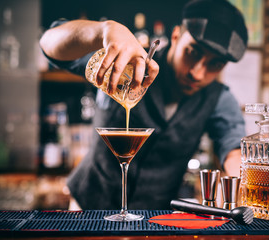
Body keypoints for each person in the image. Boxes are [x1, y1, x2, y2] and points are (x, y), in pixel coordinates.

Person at [40, 0, 248, 210]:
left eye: (215, 64)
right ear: (175, 37)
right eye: (193, 52)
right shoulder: (127, 62)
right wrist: (102, 30)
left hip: (156, 219)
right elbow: (49, 44)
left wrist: (243, 187)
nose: (197, 72)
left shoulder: (219, 98)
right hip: (88, 205)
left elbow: (233, 150)